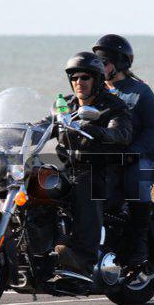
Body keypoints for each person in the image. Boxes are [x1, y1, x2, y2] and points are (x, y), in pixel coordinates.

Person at [42, 51, 132, 275]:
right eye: (74, 78)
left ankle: (83, 257)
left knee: (85, 186)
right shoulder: (65, 105)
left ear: (97, 79)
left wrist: (98, 131)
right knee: (37, 179)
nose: (78, 82)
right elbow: (45, 125)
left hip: (103, 171)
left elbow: (121, 133)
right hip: (70, 167)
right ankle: (36, 246)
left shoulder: (113, 106)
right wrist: (17, 132)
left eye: (85, 77)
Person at [93, 34, 154, 266]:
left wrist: (133, 152)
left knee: (135, 180)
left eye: (104, 63)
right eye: (96, 63)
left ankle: (138, 243)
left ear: (119, 63)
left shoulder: (140, 91)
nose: (99, 68)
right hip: (107, 157)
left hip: (140, 157)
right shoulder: (96, 92)